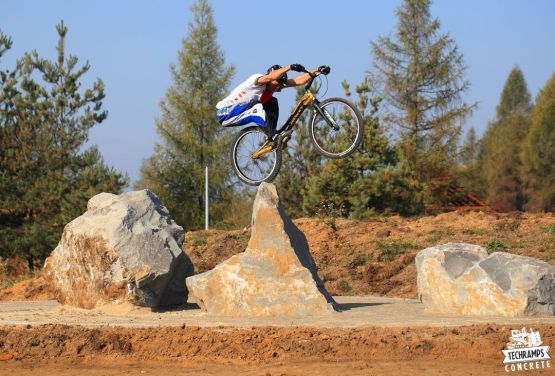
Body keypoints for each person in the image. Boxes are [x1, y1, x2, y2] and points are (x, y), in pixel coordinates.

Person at [216, 63, 320, 140]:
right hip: (225, 113)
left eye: (280, 86)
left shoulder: (273, 85)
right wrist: (290, 67)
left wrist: (317, 70)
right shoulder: (257, 79)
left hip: (241, 111)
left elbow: (297, 81)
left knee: (272, 102)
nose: (277, 88)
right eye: (276, 84)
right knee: (255, 106)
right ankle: (273, 135)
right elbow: (271, 77)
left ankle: (272, 135)